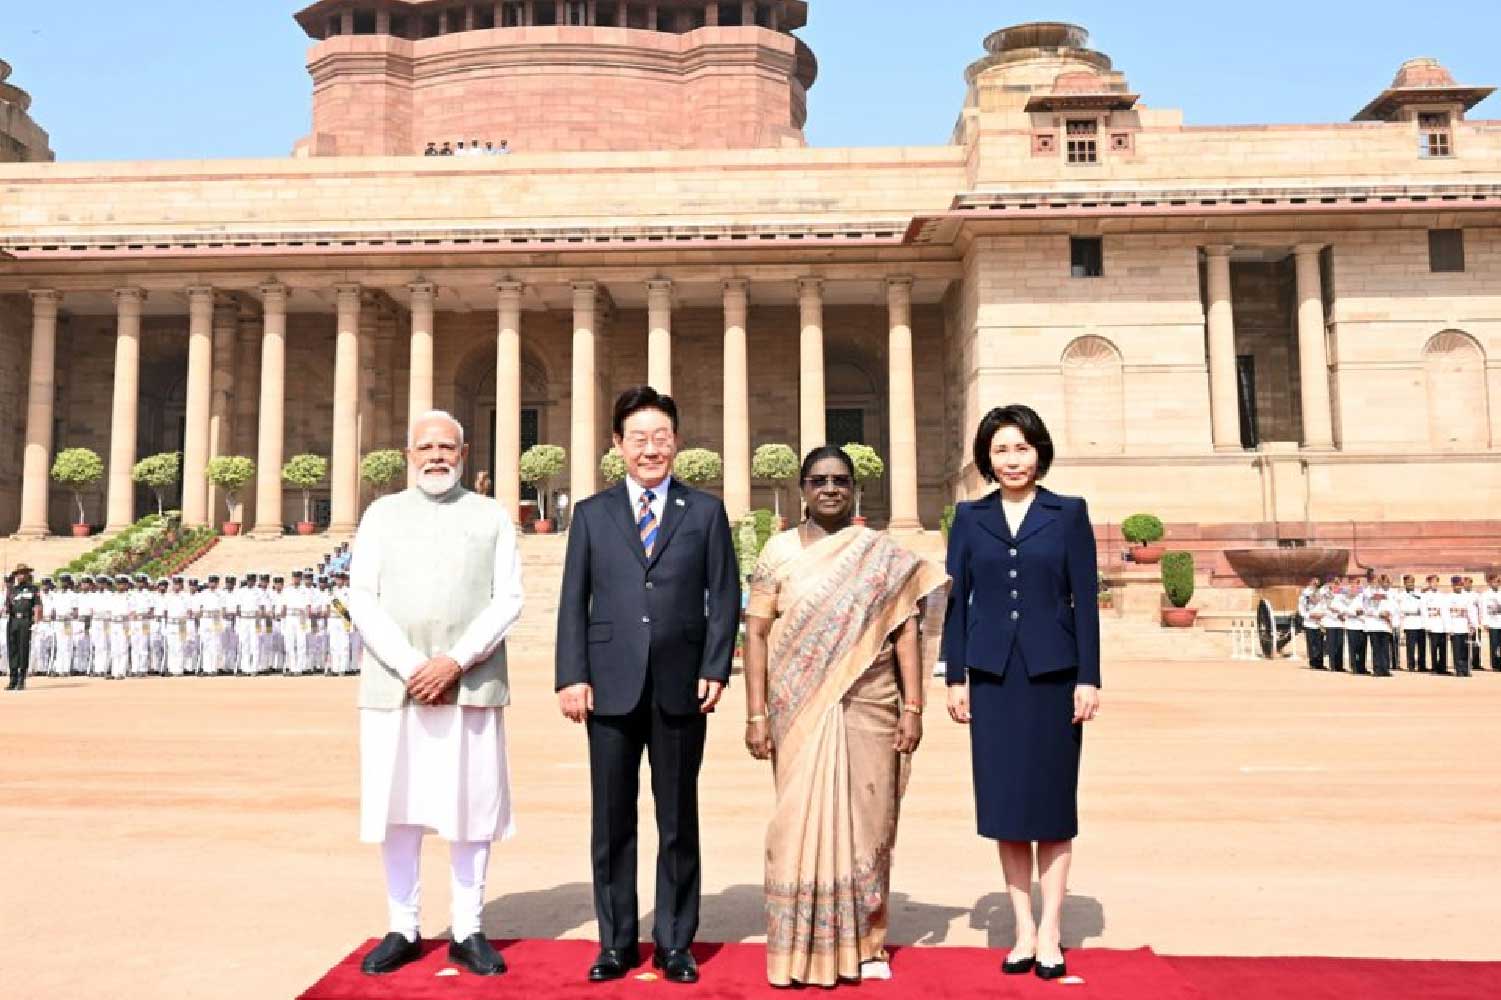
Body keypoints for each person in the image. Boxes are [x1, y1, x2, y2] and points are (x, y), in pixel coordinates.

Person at [555, 386, 740, 985]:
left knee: (678, 818)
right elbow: (572, 602)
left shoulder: (705, 512)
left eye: (662, 438)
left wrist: (715, 667)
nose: (651, 449)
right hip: (608, 685)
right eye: (639, 438)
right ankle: (615, 942)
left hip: (682, 684)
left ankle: (675, 943)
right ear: (618, 445)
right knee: (612, 820)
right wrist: (571, 675)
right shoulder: (592, 514)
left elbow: (725, 596)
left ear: (677, 444)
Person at [743, 445, 946, 986]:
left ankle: (866, 942)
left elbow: (906, 631)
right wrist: (756, 714)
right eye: (819, 480)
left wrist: (914, 705)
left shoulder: (881, 553)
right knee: (796, 824)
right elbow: (757, 632)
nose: (830, 488)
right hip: (798, 710)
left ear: (854, 488)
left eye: (840, 480)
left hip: (872, 705)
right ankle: (798, 947)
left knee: (868, 821)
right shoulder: (779, 552)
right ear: (803, 489)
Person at [348, 410, 525, 978]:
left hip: (468, 682)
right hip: (395, 685)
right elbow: (362, 598)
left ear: (464, 452)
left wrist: (453, 661)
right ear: (408, 456)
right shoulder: (381, 514)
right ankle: (403, 924)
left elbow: (508, 599)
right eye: (425, 447)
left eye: (446, 446)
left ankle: (468, 927)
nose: (436, 456)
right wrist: (411, 665)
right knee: (396, 808)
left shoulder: (491, 516)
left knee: (470, 808)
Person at [943, 404, 1100, 982]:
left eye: (1022, 448)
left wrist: (1089, 676)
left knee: (1053, 807)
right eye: (1002, 449)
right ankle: (1022, 930)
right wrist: (955, 674)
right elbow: (958, 602)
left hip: (1054, 675)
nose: (1013, 459)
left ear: (1040, 452)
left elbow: (1083, 598)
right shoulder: (969, 517)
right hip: (992, 677)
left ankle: (1053, 930)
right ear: (987, 456)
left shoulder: (1068, 514)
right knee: (1007, 807)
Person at [6, 565, 42, 690]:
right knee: (12, 649)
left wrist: (36, 623)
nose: (21, 575)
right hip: (13, 620)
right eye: (19, 573)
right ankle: (13, 679)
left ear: (27, 575)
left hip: (25, 620)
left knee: (23, 649)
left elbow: (37, 606)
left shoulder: (33, 589)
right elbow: (7, 607)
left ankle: (21, 679)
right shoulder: (12, 590)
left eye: (23, 573)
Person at [1446, 576, 1476, 677]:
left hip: (1465, 626)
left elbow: (1471, 611)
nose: (1458, 587)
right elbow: (1446, 614)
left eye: (1460, 585)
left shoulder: (1466, 597)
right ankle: (1458, 669)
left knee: (1466, 650)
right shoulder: (1448, 597)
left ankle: (1466, 669)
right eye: (1456, 585)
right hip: (1454, 627)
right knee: (1457, 650)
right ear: (1452, 585)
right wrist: (1449, 628)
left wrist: (1473, 624)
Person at [1422, 575, 1448, 674]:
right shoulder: (1425, 596)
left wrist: (1447, 626)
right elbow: (1424, 612)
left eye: (1436, 582)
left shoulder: (1442, 595)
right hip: (1432, 624)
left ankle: (1443, 668)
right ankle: (1434, 668)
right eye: (1432, 582)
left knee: (1443, 648)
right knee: (1433, 648)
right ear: (1429, 583)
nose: (1435, 584)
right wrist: (1427, 625)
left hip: (1442, 624)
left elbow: (1445, 611)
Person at [1398, 576, 1426, 672]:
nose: (1410, 584)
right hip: (1409, 622)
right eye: (1408, 583)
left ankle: (1422, 666)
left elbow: (1423, 606)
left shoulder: (1419, 593)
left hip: (1420, 622)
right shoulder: (1401, 595)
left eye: (1412, 582)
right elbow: (1402, 608)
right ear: (1405, 583)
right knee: (1410, 646)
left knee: (1422, 646)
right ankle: (1411, 666)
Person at [1299, 577, 1325, 670]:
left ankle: (1320, 663)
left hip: (1319, 623)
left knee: (1320, 644)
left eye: (1317, 584)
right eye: (1314, 583)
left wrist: (1321, 615)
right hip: (1309, 623)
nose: (1316, 585)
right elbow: (1302, 609)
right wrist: (1309, 616)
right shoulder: (1304, 595)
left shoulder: (1320, 593)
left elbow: (1323, 606)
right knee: (1311, 644)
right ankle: (1313, 663)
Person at [1482, 574, 1501, 672]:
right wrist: (1485, 622)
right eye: (1494, 582)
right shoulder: (1485, 595)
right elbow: (1484, 609)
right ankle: (1495, 665)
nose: (1496, 584)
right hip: (1493, 623)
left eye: (1498, 582)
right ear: (1489, 583)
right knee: (1494, 645)